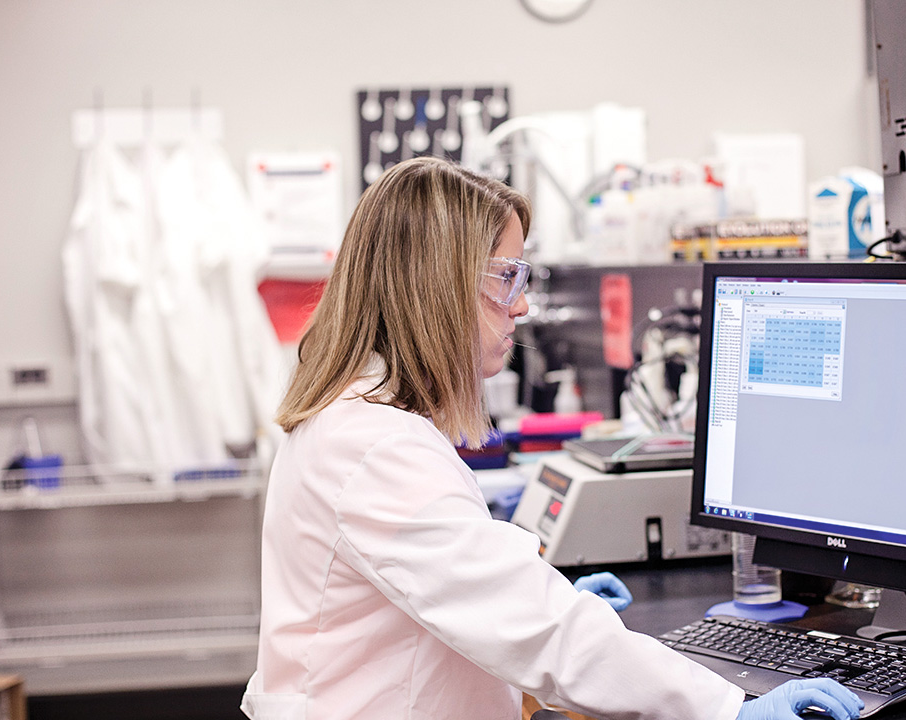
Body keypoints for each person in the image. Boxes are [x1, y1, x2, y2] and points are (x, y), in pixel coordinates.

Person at [241, 156, 863, 720]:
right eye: (506, 276)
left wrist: (529, 594)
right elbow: (543, 636)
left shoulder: (358, 420)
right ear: (437, 285)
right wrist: (729, 711)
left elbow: (449, 599)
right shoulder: (374, 446)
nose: (521, 306)